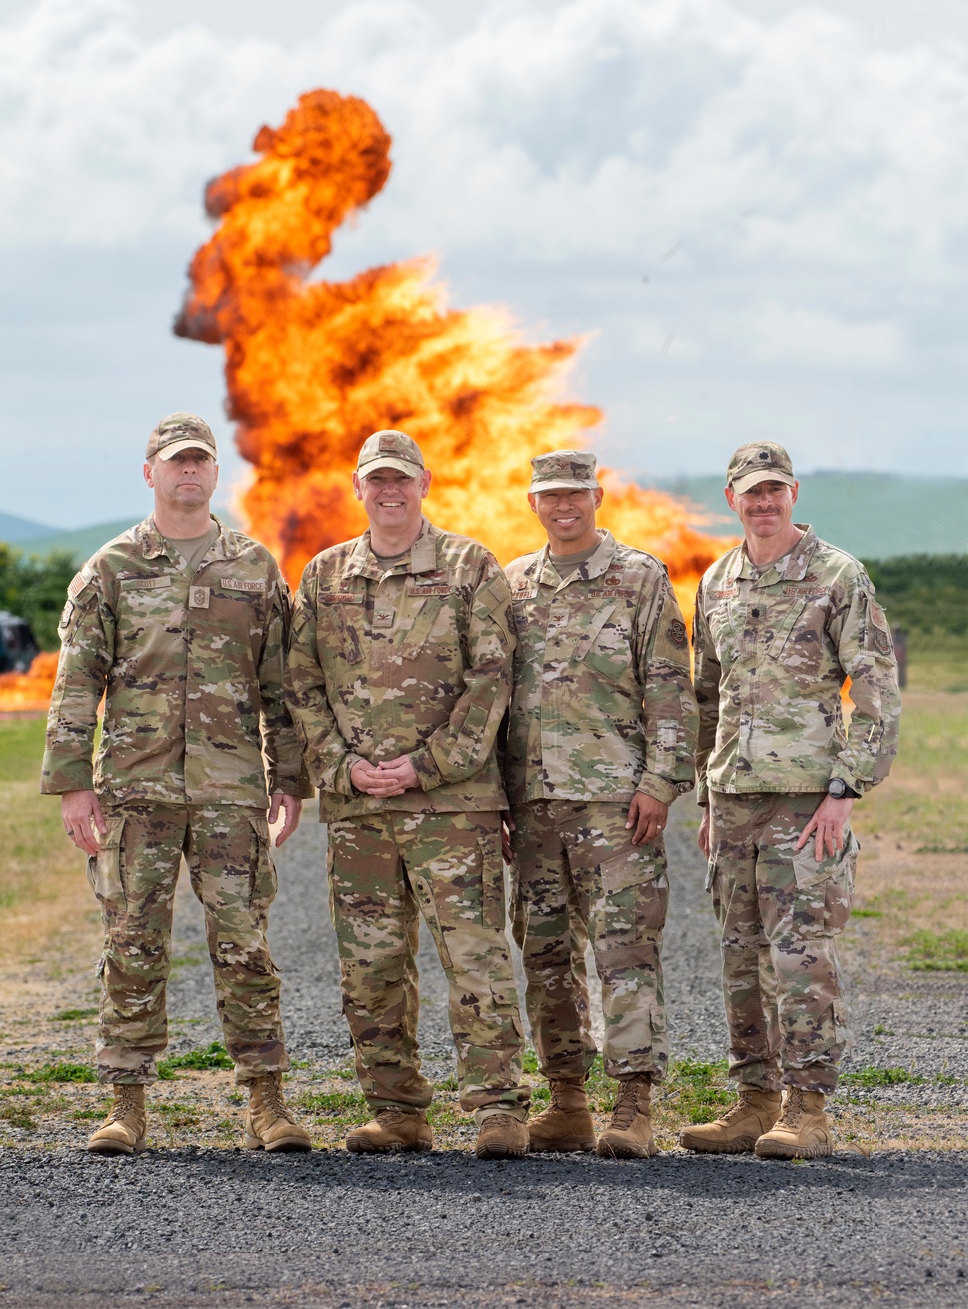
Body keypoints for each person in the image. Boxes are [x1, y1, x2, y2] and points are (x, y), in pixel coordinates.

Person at [41, 412, 312, 1155]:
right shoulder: (111, 568)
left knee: (245, 942)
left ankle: (267, 1102)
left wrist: (289, 775)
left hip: (231, 791)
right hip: (136, 789)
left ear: (215, 473)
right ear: (150, 472)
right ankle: (126, 1104)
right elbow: (76, 684)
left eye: (200, 461)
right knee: (132, 940)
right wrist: (72, 782)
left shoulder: (253, 567)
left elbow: (280, 686)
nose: (188, 472)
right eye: (175, 461)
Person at [286, 430, 530, 1159]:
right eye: (376, 480)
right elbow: (302, 685)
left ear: (425, 484)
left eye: (402, 479)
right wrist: (340, 766)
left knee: (475, 960)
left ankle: (499, 1108)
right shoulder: (324, 576)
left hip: (452, 808)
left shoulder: (468, 567)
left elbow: (493, 679)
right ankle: (396, 1110)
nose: (390, 492)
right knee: (370, 967)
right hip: (361, 811)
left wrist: (428, 765)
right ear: (357, 488)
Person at [680, 441, 901, 1158]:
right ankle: (753, 1101)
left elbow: (875, 695)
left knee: (800, 957)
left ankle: (807, 1108)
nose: (764, 502)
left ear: (794, 494)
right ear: (732, 498)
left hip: (805, 801)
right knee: (740, 957)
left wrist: (844, 790)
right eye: (752, 492)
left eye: (775, 490)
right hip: (734, 799)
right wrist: (708, 800)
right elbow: (707, 695)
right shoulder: (716, 580)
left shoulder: (838, 576)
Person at [504, 451, 698, 1157]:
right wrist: (503, 795)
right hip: (535, 806)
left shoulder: (639, 578)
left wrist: (660, 780)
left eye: (575, 495)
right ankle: (567, 1103)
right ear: (533, 502)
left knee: (625, 953)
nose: (564, 507)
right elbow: (501, 697)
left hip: (617, 805)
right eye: (550, 496)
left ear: (597, 496)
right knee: (546, 957)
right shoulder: (514, 584)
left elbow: (671, 686)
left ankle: (634, 1105)